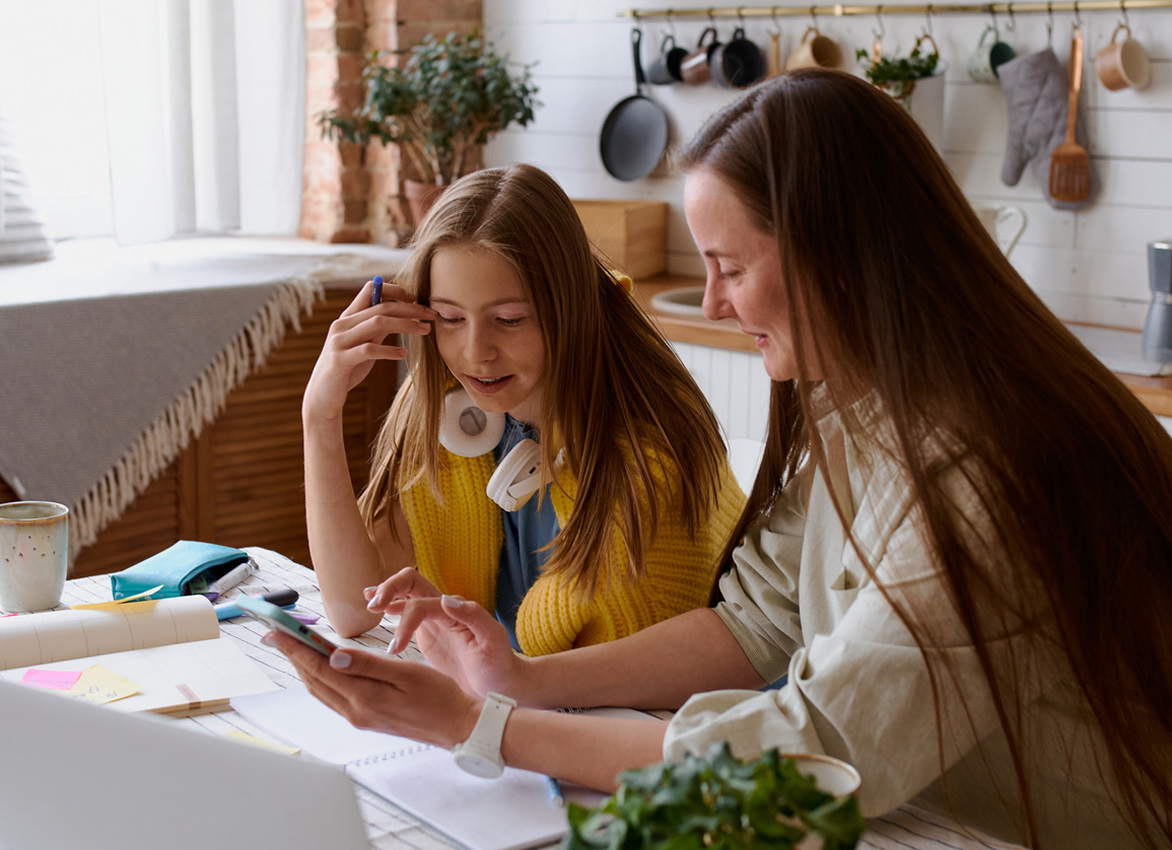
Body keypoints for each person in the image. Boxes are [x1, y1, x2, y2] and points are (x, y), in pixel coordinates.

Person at [275, 71, 1172, 850]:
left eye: (728, 266)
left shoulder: (991, 471)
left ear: (836, 252)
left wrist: (486, 726)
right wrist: (526, 680)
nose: (707, 300)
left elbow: (819, 745)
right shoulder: (857, 407)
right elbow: (754, 625)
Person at [302, 163, 746, 655]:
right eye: (450, 317)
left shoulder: (645, 447)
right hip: (529, 696)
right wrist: (319, 417)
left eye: (509, 319)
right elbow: (352, 611)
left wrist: (470, 667)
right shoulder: (450, 398)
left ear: (569, 308)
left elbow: (615, 694)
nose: (476, 352)